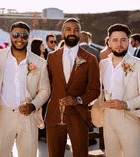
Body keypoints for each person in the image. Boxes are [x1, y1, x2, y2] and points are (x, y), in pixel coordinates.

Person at [0, 21, 51, 157]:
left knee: (29, 154)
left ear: (28, 38)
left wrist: (33, 105)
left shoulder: (39, 63)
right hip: (3, 115)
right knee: (0, 153)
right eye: (16, 35)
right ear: (10, 36)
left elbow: (45, 90)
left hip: (28, 116)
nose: (20, 39)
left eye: (24, 36)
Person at [46, 18, 100, 157]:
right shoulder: (51, 57)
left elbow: (95, 90)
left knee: (81, 154)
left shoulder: (90, 59)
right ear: (62, 33)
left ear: (80, 33)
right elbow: (48, 85)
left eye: (76, 30)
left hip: (78, 115)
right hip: (54, 114)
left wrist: (78, 100)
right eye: (68, 29)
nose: (72, 32)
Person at [100, 23, 140, 157]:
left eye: (123, 40)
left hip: (130, 119)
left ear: (129, 42)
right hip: (108, 119)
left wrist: (126, 104)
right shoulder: (103, 64)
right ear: (109, 43)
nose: (119, 44)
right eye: (115, 40)